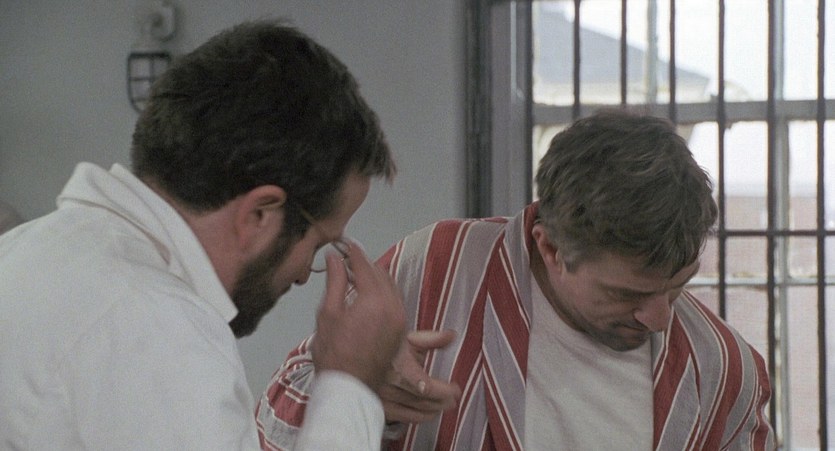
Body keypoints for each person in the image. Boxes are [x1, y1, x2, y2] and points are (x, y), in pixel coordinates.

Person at [258, 110, 775, 450]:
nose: (660, 318)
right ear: (550, 248)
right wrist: (356, 389)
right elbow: (272, 426)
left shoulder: (722, 368)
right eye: (627, 294)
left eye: (679, 286)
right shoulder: (437, 269)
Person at [0, 20, 408, 450]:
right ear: (260, 214)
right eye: (318, 245)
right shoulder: (158, 332)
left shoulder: (27, 249)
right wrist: (350, 381)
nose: (307, 273)